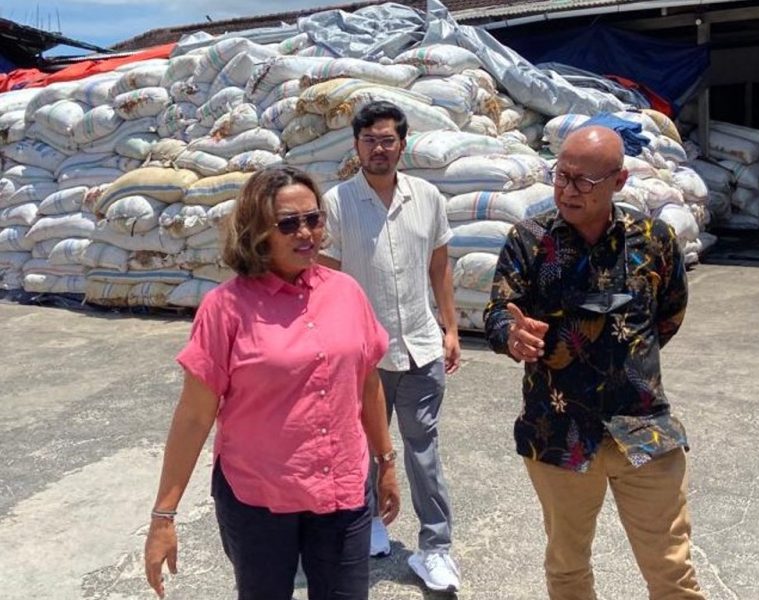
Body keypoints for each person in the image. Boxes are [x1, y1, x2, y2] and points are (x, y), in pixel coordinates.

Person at [143, 165, 400, 600]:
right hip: (258, 499)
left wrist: (386, 461)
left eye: (313, 219)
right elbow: (194, 416)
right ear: (258, 231)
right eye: (288, 223)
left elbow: (367, 383)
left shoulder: (346, 292)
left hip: (342, 490)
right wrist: (163, 516)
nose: (306, 233)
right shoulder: (224, 309)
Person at [484, 126, 705, 600]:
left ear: (619, 181)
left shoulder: (653, 240)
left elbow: (669, 314)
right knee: (567, 569)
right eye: (561, 176)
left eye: (583, 180)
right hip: (559, 433)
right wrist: (513, 336)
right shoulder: (529, 240)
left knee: (673, 573)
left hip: (642, 429)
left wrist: (626, 358)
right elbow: (499, 312)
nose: (567, 189)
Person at [318, 101, 462, 593]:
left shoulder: (427, 197)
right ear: (356, 146)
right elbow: (328, 280)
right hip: (363, 355)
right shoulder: (337, 204)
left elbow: (439, 266)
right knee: (360, 448)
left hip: (421, 345)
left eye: (387, 140)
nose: (379, 149)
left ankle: (435, 547)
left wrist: (451, 327)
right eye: (369, 141)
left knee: (423, 450)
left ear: (403, 144)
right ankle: (372, 524)